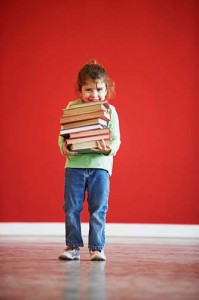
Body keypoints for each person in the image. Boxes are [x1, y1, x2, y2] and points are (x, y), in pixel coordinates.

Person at [58, 60, 121, 261]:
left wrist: (108, 149)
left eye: (99, 89)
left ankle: (97, 248)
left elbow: (116, 139)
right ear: (80, 90)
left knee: (98, 208)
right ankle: (72, 246)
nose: (94, 95)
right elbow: (63, 135)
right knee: (71, 208)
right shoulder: (72, 107)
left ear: (106, 89)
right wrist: (64, 148)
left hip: (100, 167)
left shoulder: (110, 112)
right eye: (88, 90)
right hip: (75, 166)